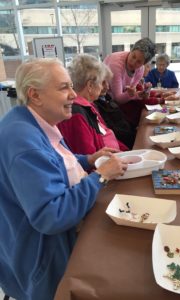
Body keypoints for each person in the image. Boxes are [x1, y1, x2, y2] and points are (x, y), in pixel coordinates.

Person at [0, 58, 128, 300]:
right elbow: (52, 216)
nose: (72, 94)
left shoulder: (30, 120)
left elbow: (54, 162)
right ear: (34, 95)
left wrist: (87, 160)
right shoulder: (25, 143)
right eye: (63, 88)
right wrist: (100, 176)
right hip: (42, 262)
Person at [58, 54, 128, 155]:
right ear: (90, 85)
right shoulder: (76, 115)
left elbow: (106, 134)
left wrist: (127, 152)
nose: (102, 87)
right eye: (100, 82)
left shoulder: (88, 106)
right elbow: (90, 158)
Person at [103, 37, 156, 127]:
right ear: (131, 50)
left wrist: (140, 95)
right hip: (104, 100)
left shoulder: (140, 69)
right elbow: (118, 99)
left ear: (144, 64)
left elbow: (130, 92)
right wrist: (133, 95)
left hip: (116, 101)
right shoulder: (115, 64)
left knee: (140, 111)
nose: (133, 62)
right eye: (133, 56)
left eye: (139, 62)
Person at [94, 64, 136, 149]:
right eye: (103, 82)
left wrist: (135, 128)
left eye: (107, 82)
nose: (107, 86)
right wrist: (134, 135)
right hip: (125, 142)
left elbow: (122, 117)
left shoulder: (107, 97)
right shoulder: (96, 105)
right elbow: (112, 130)